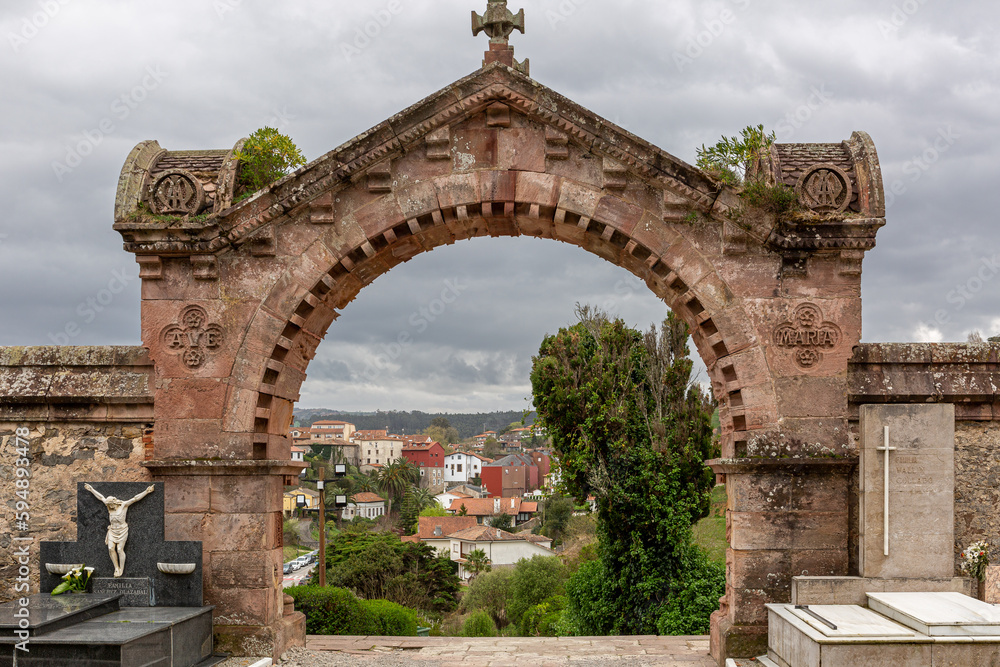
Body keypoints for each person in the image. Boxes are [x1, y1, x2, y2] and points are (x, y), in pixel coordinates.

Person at [84, 484, 155, 577]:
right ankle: (116, 568)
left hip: (122, 530)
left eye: (111, 505)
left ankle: (121, 569)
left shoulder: (123, 505)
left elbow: (135, 498)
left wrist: (146, 491)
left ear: (115, 502)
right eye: (109, 505)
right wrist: (91, 489)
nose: (110, 507)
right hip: (112, 531)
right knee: (110, 548)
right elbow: (101, 497)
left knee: (120, 549)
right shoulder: (108, 505)